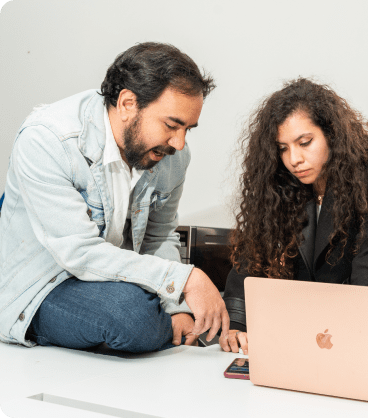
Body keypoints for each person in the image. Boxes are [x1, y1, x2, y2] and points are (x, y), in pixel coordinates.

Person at [0, 42, 230, 352]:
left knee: (140, 310)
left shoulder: (173, 156)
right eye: (171, 125)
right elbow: (78, 253)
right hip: (43, 286)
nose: (179, 142)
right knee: (131, 316)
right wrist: (184, 281)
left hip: (112, 281)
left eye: (188, 129)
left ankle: (142, 326)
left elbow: (159, 239)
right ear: (127, 104)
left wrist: (178, 309)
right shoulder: (47, 139)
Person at [221, 78, 368, 354]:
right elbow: (252, 254)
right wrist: (236, 323)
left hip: (352, 333)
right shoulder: (278, 184)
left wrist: (356, 340)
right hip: (294, 332)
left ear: (331, 134)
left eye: (305, 142)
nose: (293, 159)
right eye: (283, 148)